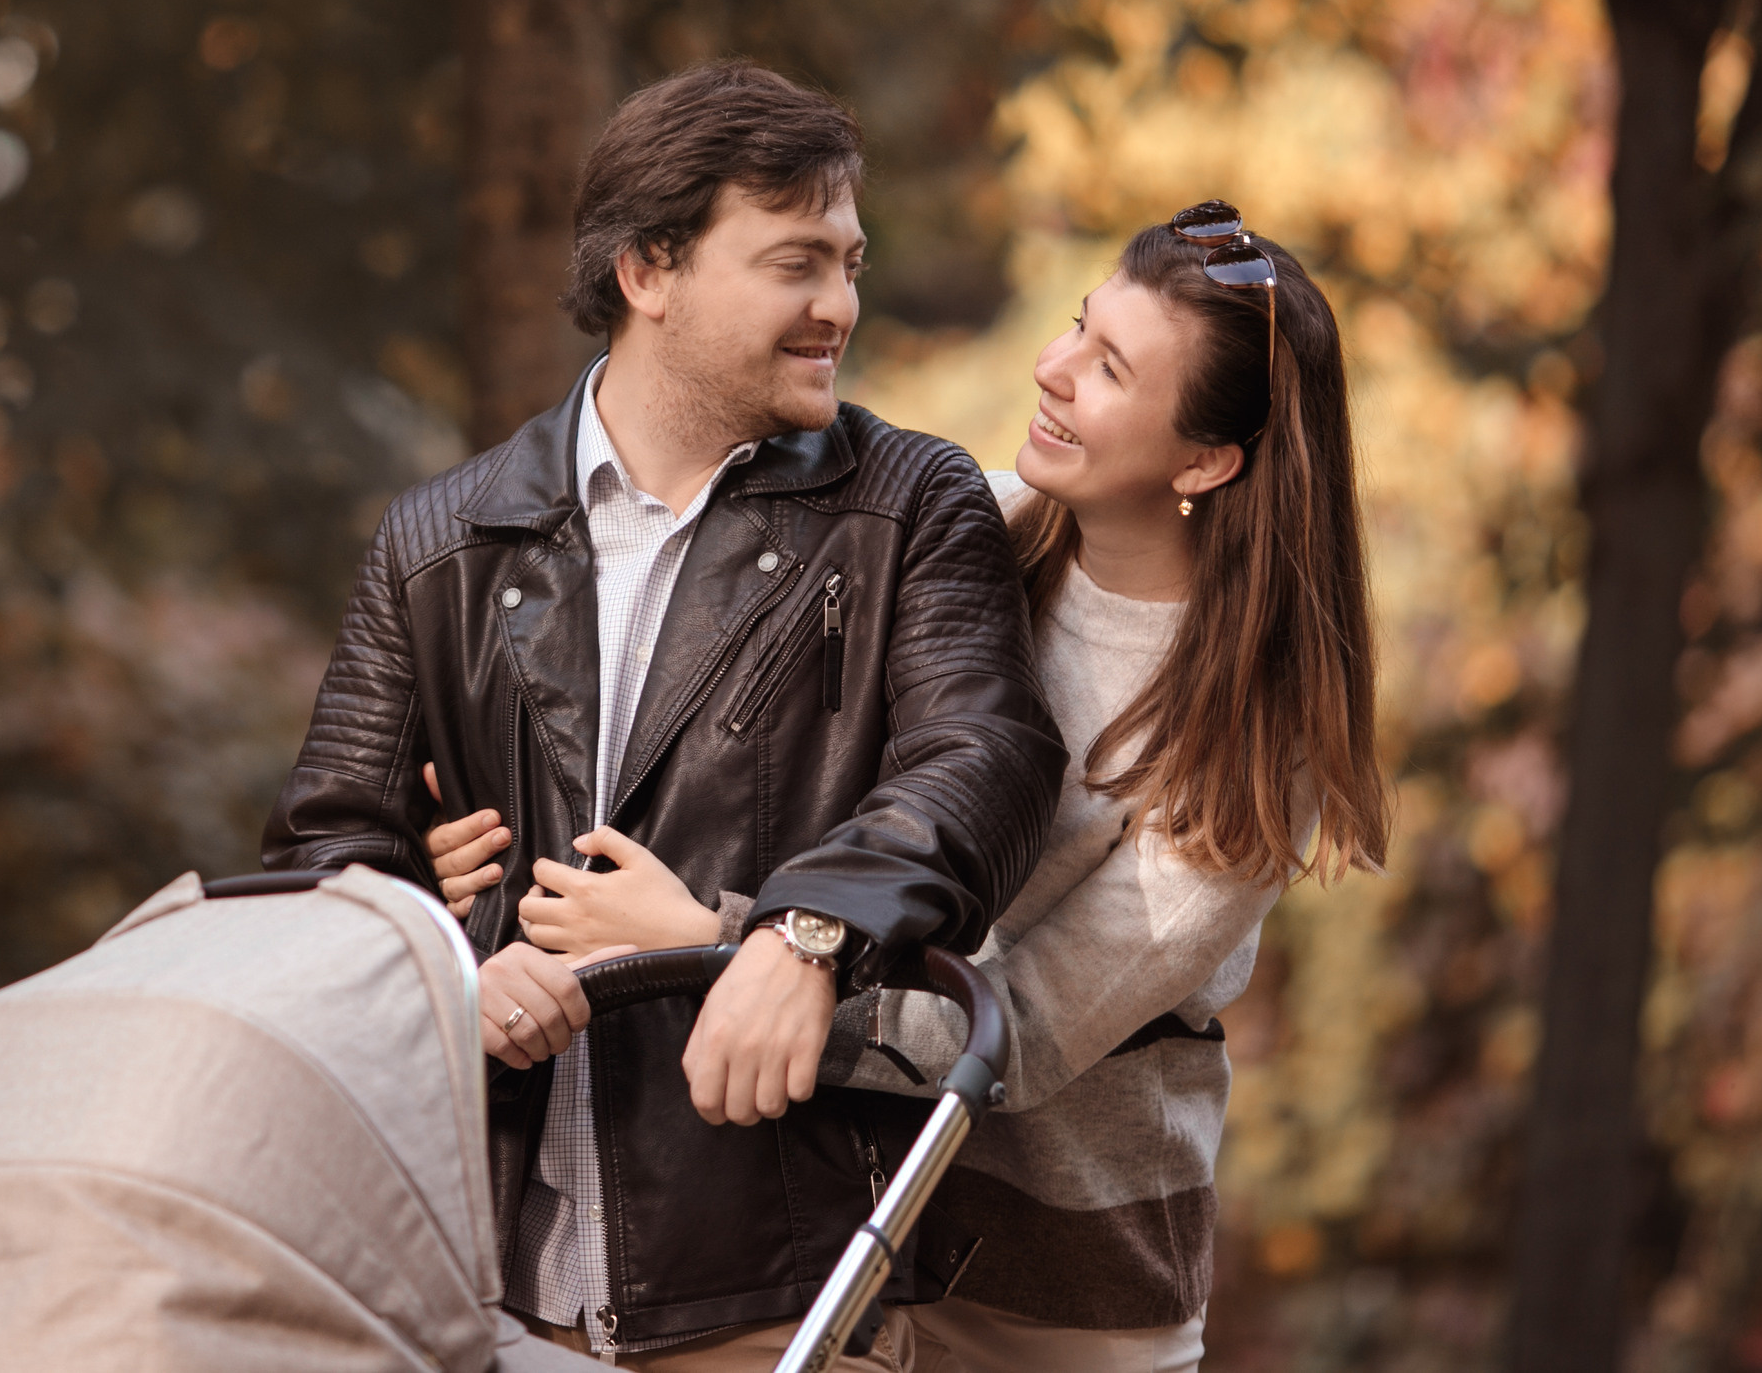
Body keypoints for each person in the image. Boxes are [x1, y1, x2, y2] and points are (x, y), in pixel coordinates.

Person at [431, 201, 1391, 1371]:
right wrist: (469, 840)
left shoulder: (1247, 741)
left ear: (1204, 459)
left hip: (1051, 1289)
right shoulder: (956, 531)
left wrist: (713, 941)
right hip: (824, 1216)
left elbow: (1024, 1033)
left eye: (1109, 368)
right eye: (1079, 329)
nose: (1054, 370)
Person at [262, 58, 1065, 1370]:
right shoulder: (435, 543)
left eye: (851, 264)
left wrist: (806, 931)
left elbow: (986, 756)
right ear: (650, 270)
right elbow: (321, 863)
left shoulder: (912, 503)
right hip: (482, 1292)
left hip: (781, 1292)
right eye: (797, 261)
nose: (839, 306)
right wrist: (449, 972)